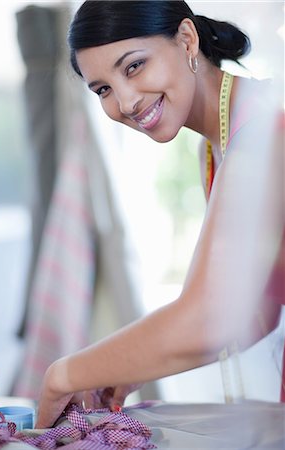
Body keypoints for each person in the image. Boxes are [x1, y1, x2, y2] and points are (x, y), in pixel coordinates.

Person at [36, 0, 284, 428]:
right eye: (103, 90)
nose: (126, 102)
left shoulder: (266, 128)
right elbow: (251, 310)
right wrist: (130, 365)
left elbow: (212, 316)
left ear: (187, 40)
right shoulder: (221, 144)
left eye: (133, 67)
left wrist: (63, 375)